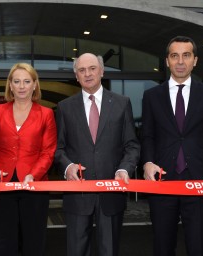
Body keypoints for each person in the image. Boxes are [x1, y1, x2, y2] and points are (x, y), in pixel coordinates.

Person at [141, 36, 203, 256]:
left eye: (186, 55)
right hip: (162, 184)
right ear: (167, 61)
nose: (180, 61)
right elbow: (148, 137)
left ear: (195, 60)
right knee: (162, 247)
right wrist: (148, 163)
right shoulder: (151, 96)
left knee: (199, 247)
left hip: (200, 184)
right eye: (175, 56)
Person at [55, 53, 140, 256]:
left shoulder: (122, 103)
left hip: (111, 194)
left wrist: (123, 169)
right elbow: (58, 148)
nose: (88, 74)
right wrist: (67, 167)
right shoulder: (65, 107)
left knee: (109, 250)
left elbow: (132, 145)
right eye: (82, 70)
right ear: (76, 76)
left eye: (92, 68)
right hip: (78, 195)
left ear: (101, 71)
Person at [0, 63, 57, 256]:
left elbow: (48, 152)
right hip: (1, 185)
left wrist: (34, 174)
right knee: (4, 241)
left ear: (34, 85)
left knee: (33, 241)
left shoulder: (46, 114)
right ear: (10, 85)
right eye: (17, 81)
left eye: (26, 81)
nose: (22, 86)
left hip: (34, 185)